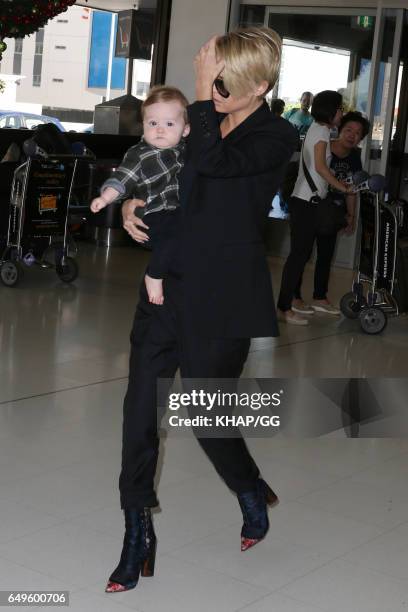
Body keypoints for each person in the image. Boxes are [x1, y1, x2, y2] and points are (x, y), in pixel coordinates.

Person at [105, 27, 298, 594]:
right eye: (212, 79)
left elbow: (214, 166)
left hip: (224, 297)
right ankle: (136, 530)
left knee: (208, 419)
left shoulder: (274, 136)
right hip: (166, 289)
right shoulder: (193, 125)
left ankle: (247, 485)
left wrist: (197, 92)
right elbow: (157, 172)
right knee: (139, 409)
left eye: (225, 83)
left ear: (259, 85)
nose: (214, 90)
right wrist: (131, 205)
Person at [90, 86, 190, 305]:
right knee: (174, 234)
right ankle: (154, 275)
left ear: (185, 130)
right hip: (152, 213)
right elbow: (123, 178)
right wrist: (105, 198)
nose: (160, 130)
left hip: (174, 211)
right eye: (153, 123)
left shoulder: (183, 151)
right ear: (143, 126)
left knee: (180, 233)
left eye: (169, 124)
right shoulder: (141, 154)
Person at [277, 90, 353, 325]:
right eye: (339, 108)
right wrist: (342, 187)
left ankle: (290, 303)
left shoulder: (318, 129)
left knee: (300, 256)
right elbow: (320, 167)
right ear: (330, 110)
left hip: (305, 201)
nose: (341, 113)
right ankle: (284, 307)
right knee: (298, 257)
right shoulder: (320, 130)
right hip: (305, 203)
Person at [291, 111, 370, 317]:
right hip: (311, 205)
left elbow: (352, 190)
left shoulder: (355, 157)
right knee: (302, 253)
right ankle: (294, 297)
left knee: (325, 255)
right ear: (340, 130)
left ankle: (320, 297)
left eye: (358, 133)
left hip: (332, 213)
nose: (352, 135)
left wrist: (351, 216)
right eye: (349, 130)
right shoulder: (324, 146)